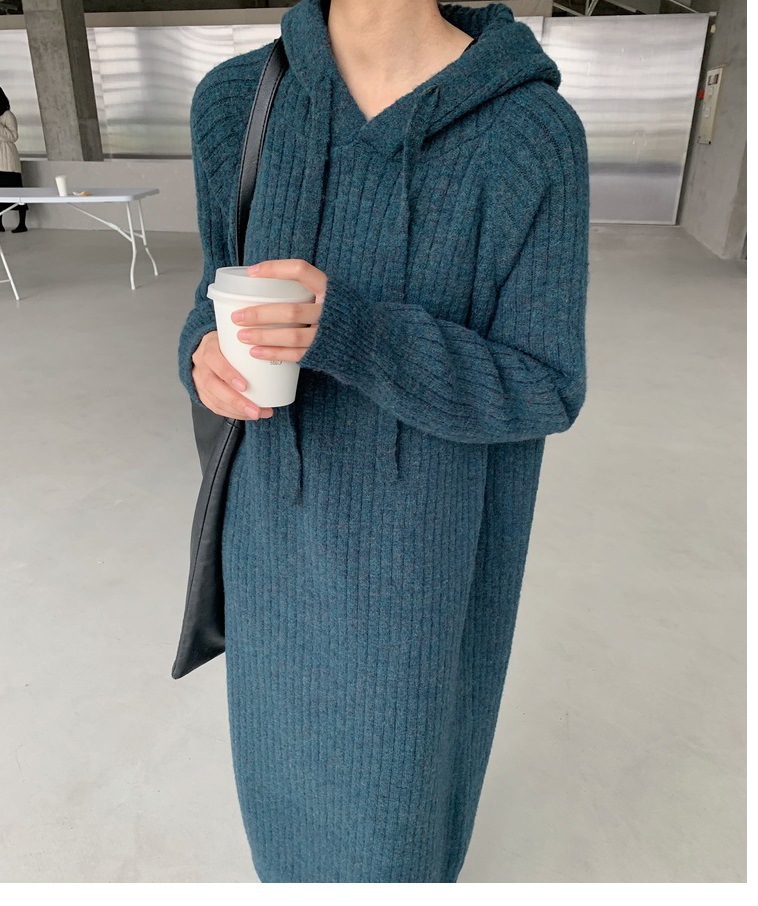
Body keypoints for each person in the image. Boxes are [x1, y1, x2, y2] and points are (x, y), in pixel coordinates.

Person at [178, 0, 589, 883]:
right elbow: (210, 289)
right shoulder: (237, 103)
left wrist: (355, 334)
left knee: (393, 840)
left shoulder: (530, 133)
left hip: (419, 580)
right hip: (269, 553)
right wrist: (201, 356)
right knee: (279, 825)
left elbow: (548, 385)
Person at [0, 85, 28, 233]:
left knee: (16, 191)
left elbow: (13, 136)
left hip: (7, 158)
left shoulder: (7, 115)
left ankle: (22, 224)